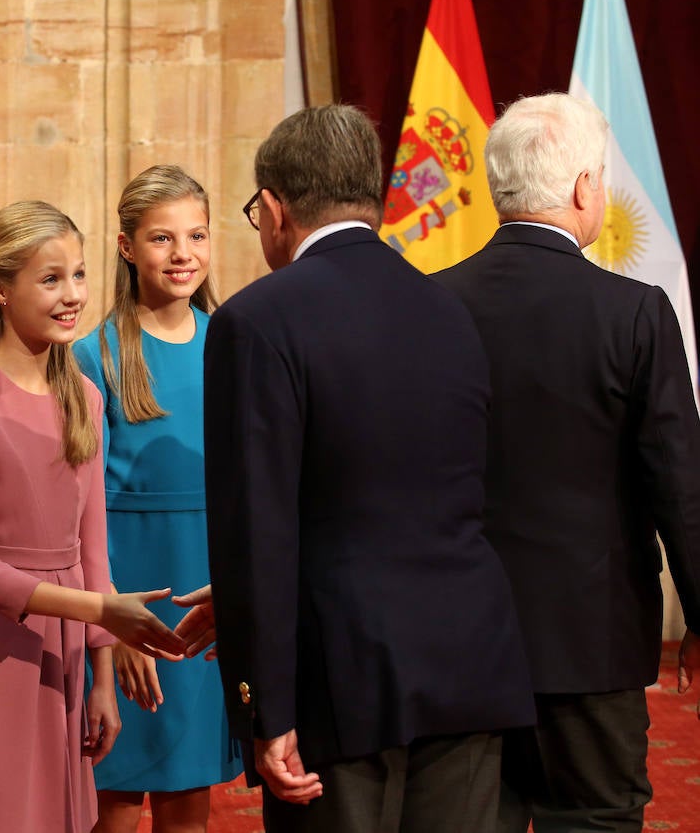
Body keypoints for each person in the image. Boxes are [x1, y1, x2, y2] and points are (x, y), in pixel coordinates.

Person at [187, 104, 536, 833]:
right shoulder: (450, 308)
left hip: (340, 673)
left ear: (275, 209)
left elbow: (260, 524)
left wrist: (266, 706)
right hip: (471, 655)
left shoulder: (255, 320)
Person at [431, 92, 700, 832]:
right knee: (594, 819)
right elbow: (682, 486)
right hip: (593, 638)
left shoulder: (427, 305)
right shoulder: (635, 312)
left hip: (455, 636)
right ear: (585, 189)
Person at [0, 200, 187, 833]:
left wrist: (102, 676)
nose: (72, 295)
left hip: (61, 653)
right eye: (50, 279)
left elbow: (93, 552)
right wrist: (99, 612)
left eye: (79, 275)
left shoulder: (81, 393)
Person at [72, 165, 242, 833]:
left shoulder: (233, 342)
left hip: (205, 590)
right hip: (127, 587)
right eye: (163, 238)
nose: (182, 254)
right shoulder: (95, 354)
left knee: (187, 791)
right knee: (113, 793)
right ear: (126, 246)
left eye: (196, 235)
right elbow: (77, 505)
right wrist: (111, 622)